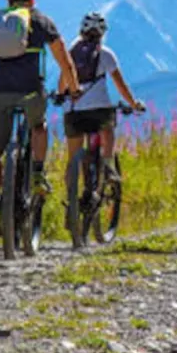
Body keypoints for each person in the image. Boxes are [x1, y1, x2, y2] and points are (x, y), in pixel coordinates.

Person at [0, 0, 78, 232]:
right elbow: (64, 60)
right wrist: (73, 88)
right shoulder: (41, 21)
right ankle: (39, 172)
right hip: (30, 91)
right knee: (39, 127)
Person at [60, 12, 145, 226]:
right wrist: (134, 104)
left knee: (73, 160)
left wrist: (62, 95)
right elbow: (120, 85)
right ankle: (108, 165)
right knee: (108, 127)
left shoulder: (71, 53)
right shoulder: (106, 54)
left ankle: (71, 202)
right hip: (99, 110)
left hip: (74, 111)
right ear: (102, 34)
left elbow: (63, 84)